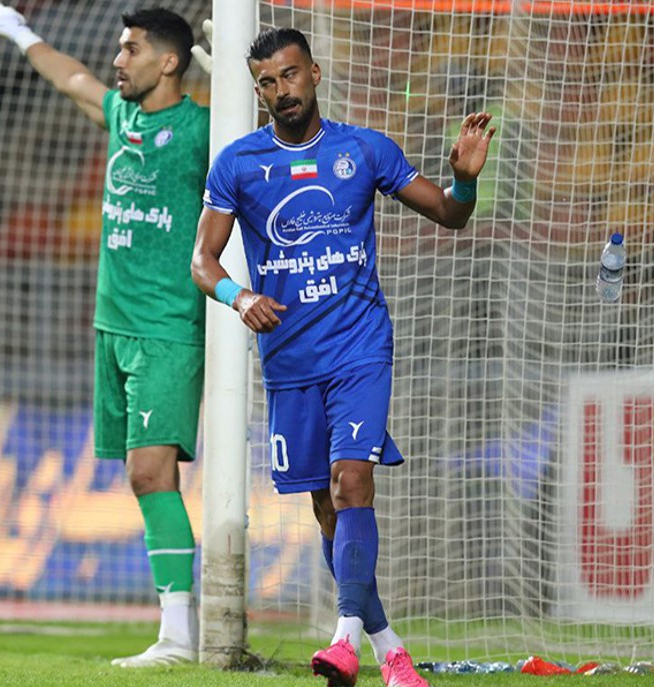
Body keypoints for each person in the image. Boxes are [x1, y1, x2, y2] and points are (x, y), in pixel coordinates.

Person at [191, 27, 495, 687]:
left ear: (315, 73)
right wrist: (241, 297)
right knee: (326, 510)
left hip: (360, 346)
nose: (281, 90)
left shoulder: (364, 150)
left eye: (290, 75)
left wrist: (463, 182)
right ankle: (390, 652)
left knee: (352, 481)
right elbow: (203, 261)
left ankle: (343, 640)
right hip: (289, 358)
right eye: (267, 82)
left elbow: (450, 214)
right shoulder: (238, 164)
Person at [0, 1, 210, 667]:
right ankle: (177, 628)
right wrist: (23, 35)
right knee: (142, 476)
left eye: (131, 49)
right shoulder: (123, 116)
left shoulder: (201, 131)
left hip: (167, 327)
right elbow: (71, 77)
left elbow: (260, 156)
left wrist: (240, 95)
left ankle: (179, 635)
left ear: (169, 62)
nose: (117, 60)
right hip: (113, 326)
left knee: (150, 471)